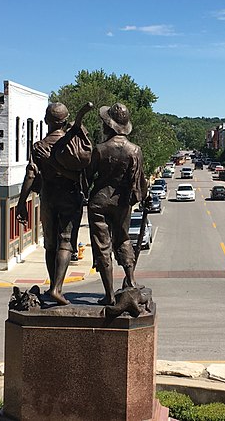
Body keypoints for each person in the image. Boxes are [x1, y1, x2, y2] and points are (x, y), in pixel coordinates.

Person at [16, 102, 92, 305]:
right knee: (65, 242)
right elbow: (83, 177)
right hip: (69, 196)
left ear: (46, 121)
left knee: (50, 244)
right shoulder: (73, 145)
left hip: (48, 197)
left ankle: (53, 286)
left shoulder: (39, 147)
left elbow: (30, 174)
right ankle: (56, 288)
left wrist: (22, 202)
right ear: (65, 122)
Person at [87, 103, 148, 306]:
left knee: (102, 246)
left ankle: (110, 294)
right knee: (122, 239)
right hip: (122, 202)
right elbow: (140, 181)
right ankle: (130, 279)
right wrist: (141, 198)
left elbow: (87, 177)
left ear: (109, 125)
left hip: (99, 201)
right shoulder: (135, 150)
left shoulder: (100, 149)